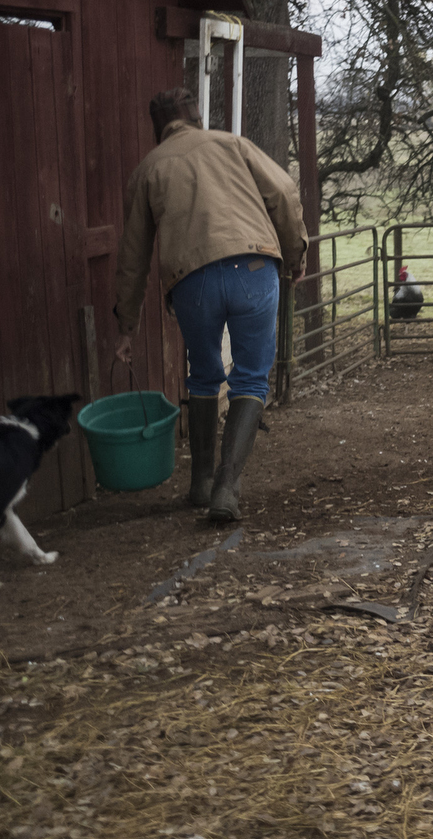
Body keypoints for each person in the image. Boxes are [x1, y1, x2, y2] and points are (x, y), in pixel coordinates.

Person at [112, 87, 306, 521]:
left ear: (159, 127)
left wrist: (127, 325)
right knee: (252, 379)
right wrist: (294, 258)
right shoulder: (231, 144)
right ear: (196, 118)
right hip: (254, 267)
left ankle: (200, 483)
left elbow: (133, 256)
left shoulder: (148, 170)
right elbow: (284, 192)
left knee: (202, 376)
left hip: (191, 281)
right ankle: (226, 489)